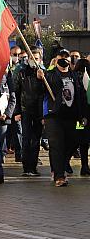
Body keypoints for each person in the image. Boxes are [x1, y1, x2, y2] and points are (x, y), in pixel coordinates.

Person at [43, 55, 88, 187]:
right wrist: (40, 77)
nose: (64, 60)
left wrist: (83, 115)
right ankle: (59, 176)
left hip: (73, 116)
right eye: (60, 57)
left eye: (66, 57)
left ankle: (62, 166)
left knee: (75, 141)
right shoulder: (49, 75)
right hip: (54, 116)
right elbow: (40, 90)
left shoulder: (75, 75)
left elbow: (81, 96)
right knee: (57, 145)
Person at [13, 50, 46, 176]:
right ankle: (26, 167)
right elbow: (16, 92)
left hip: (38, 112)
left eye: (36, 58)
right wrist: (17, 111)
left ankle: (34, 166)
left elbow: (45, 93)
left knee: (36, 140)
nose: (34, 60)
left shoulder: (43, 73)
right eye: (32, 58)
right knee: (26, 139)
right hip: (25, 110)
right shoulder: (22, 72)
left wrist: (41, 79)